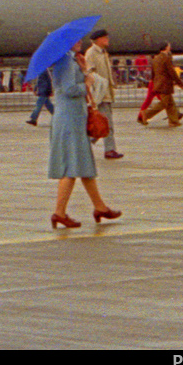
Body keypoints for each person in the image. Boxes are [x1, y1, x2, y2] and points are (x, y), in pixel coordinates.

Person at [47, 45, 120, 229]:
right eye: (76, 40)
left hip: (76, 118)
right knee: (71, 167)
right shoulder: (64, 61)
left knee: (85, 165)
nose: (80, 41)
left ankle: (99, 207)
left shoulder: (72, 60)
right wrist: (86, 82)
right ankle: (59, 213)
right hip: (69, 120)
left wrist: (84, 69)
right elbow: (69, 89)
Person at [84, 29, 122, 159]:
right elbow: (89, 74)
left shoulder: (104, 53)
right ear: (98, 40)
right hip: (100, 95)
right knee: (107, 123)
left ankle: (85, 145)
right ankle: (109, 150)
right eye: (105, 38)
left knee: (102, 123)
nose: (107, 39)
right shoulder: (91, 53)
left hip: (107, 93)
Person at [139, 43, 183, 127]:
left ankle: (173, 121)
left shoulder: (156, 58)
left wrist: (153, 81)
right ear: (166, 48)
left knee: (170, 103)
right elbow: (172, 72)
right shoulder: (166, 58)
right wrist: (180, 83)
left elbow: (153, 72)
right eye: (169, 46)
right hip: (165, 84)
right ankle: (146, 114)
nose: (170, 47)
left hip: (158, 83)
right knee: (164, 103)